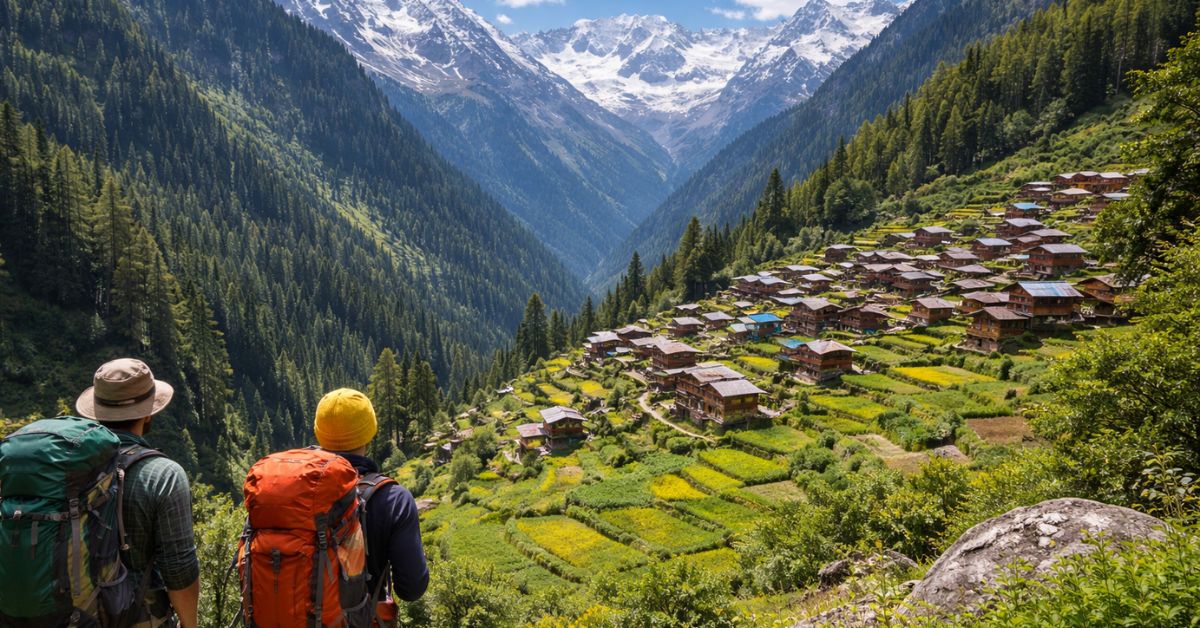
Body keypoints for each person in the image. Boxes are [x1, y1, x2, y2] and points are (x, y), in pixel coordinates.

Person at [75, 358, 200, 628]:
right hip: (135, 616)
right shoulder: (163, 475)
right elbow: (179, 569)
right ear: (147, 413)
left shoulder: (65, 468)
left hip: (68, 615)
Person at [314, 388, 430, 607]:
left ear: (319, 433)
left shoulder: (291, 487)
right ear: (370, 432)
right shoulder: (394, 499)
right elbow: (412, 589)